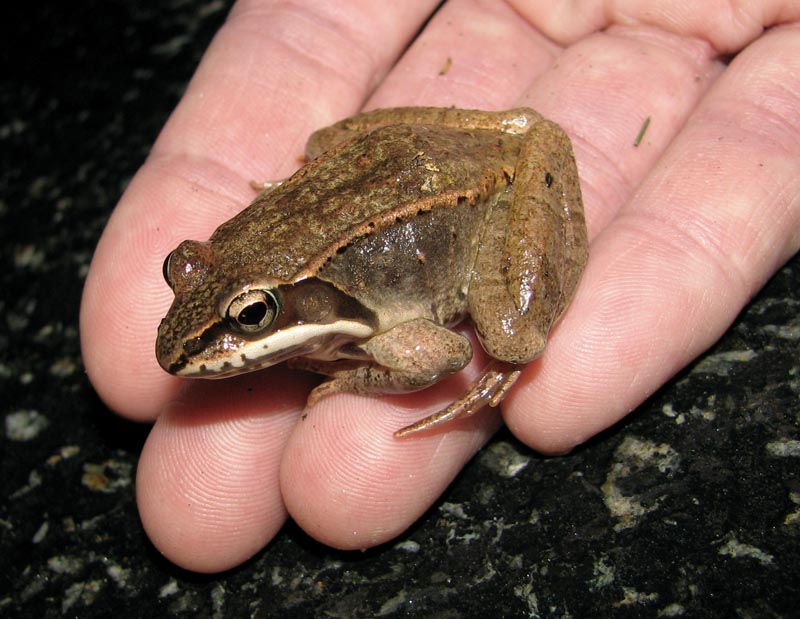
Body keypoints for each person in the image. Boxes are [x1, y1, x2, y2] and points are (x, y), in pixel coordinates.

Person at [79, 1, 800, 572]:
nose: (223, 339)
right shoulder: (241, 255)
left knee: (511, 337)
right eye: (187, 270)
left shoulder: (359, 317)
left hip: (480, 199)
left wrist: (350, 374)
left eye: (253, 316)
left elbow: (440, 358)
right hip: (408, 167)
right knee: (328, 143)